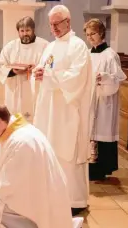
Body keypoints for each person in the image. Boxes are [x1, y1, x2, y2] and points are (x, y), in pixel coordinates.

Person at [32, 5, 94, 216]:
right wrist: (38, 74)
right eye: (51, 24)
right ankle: (53, 195)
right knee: (49, 149)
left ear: (68, 22)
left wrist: (50, 76)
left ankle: (74, 199)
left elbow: (77, 78)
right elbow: (43, 70)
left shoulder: (78, 47)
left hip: (68, 111)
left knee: (68, 152)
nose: (54, 28)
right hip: (49, 110)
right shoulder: (50, 47)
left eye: (57, 24)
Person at [84, 18, 127, 181]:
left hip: (104, 101)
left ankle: (101, 168)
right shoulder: (87, 54)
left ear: (101, 33)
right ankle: (90, 166)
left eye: (93, 34)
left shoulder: (110, 55)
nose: (90, 37)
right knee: (89, 132)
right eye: (87, 35)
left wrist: (104, 78)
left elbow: (117, 79)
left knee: (101, 132)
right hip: (90, 99)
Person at [0, 16, 49, 122]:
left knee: (35, 120)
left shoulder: (44, 45)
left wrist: (37, 68)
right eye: (22, 31)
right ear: (18, 31)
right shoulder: (10, 47)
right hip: (16, 90)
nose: (25, 34)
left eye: (27, 30)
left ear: (33, 30)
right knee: (15, 119)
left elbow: (51, 66)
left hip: (36, 90)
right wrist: (12, 71)